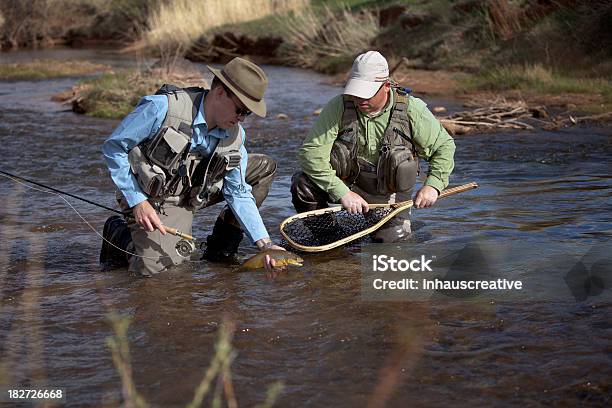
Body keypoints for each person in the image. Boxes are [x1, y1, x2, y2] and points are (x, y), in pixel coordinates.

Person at [100, 57, 284, 276]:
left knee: (262, 168)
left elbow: (238, 191)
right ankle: (120, 234)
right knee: (160, 273)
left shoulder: (236, 135)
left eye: (248, 113)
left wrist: (265, 244)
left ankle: (220, 249)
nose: (242, 119)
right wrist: (138, 201)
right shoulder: (162, 108)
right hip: (152, 197)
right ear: (220, 93)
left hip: (195, 192)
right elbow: (114, 147)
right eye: (240, 110)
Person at [291, 51, 456, 242]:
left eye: (366, 94)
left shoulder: (412, 109)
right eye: (355, 92)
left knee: (390, 249)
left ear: (386, 86)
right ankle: (331, 241)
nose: (360, 100)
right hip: (346, 183)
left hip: (388, 195)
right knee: (302, 184)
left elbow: (444, 146)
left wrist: (434, 185)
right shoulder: (339, 106)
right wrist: (342, 192)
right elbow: (310, 154)